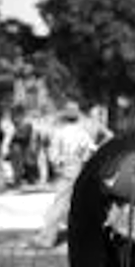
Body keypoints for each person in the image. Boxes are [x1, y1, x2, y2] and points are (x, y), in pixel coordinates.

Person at [33, 101, 98, 248]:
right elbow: (92, 149)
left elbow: (53, 154)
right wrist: (84, 158)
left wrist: (57, 164)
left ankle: (47, 238)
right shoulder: (82, 133)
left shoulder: (60, 132)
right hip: (78, 167)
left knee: (59, 204)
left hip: (66, 167)